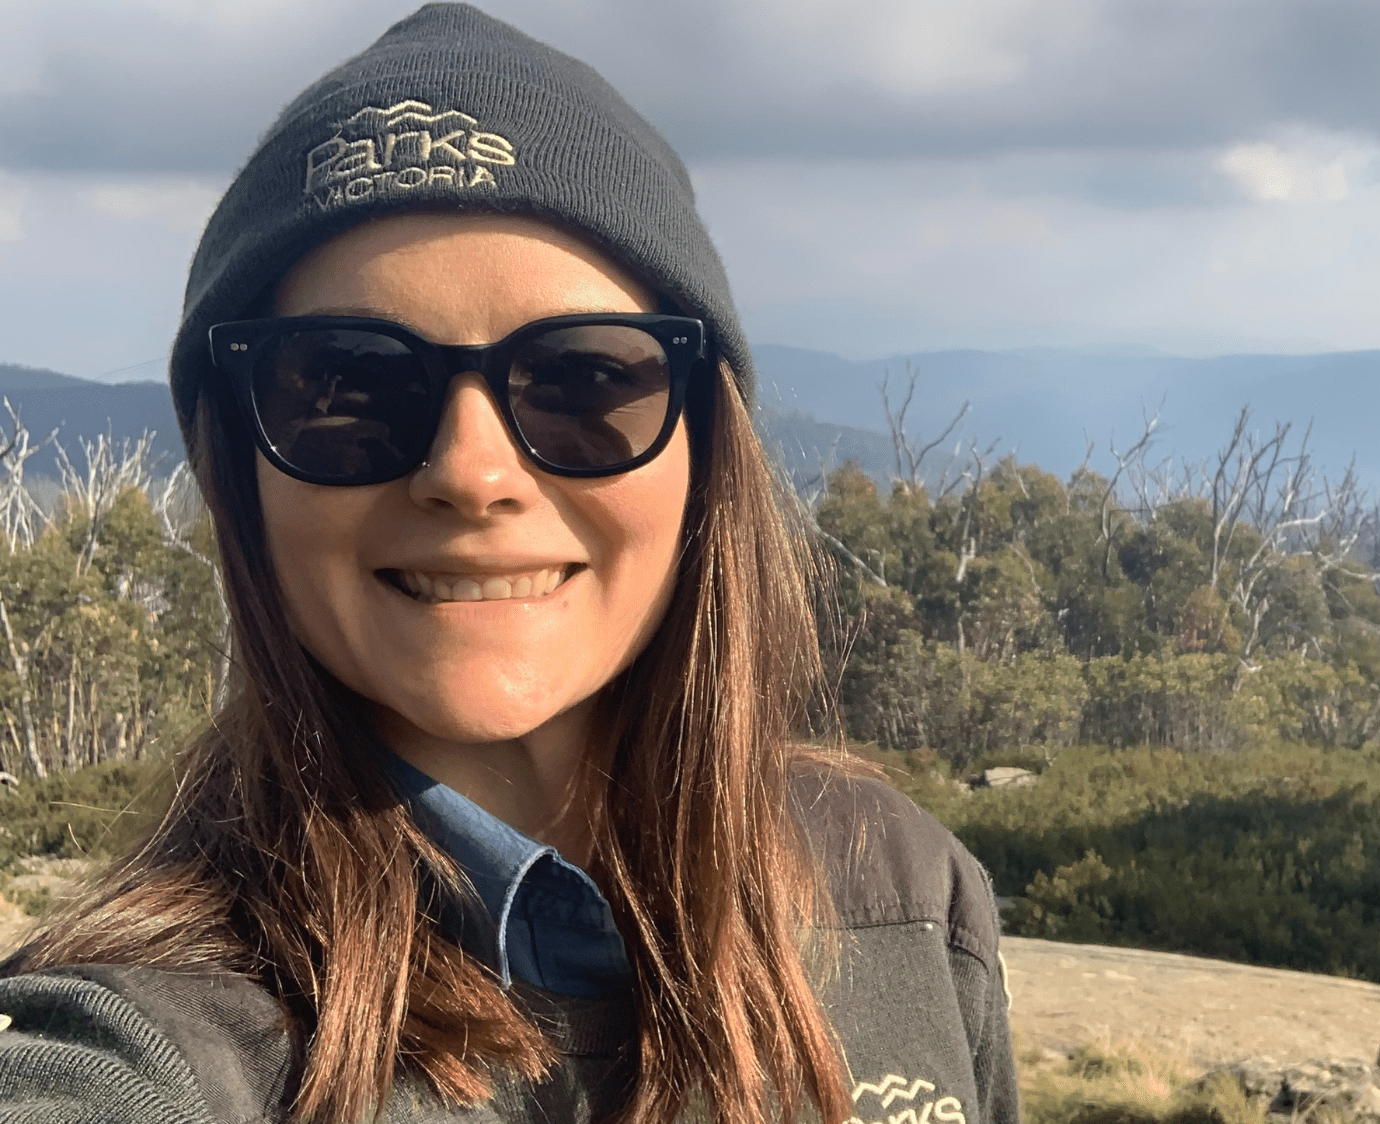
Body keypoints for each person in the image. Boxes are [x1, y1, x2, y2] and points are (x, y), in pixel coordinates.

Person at [0, 6, 1018, 1124]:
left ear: (709, 448)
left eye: (583, 381)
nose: (471, 471)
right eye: (347, 384)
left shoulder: (905, 894)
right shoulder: (156, 1052)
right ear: (239, 469)